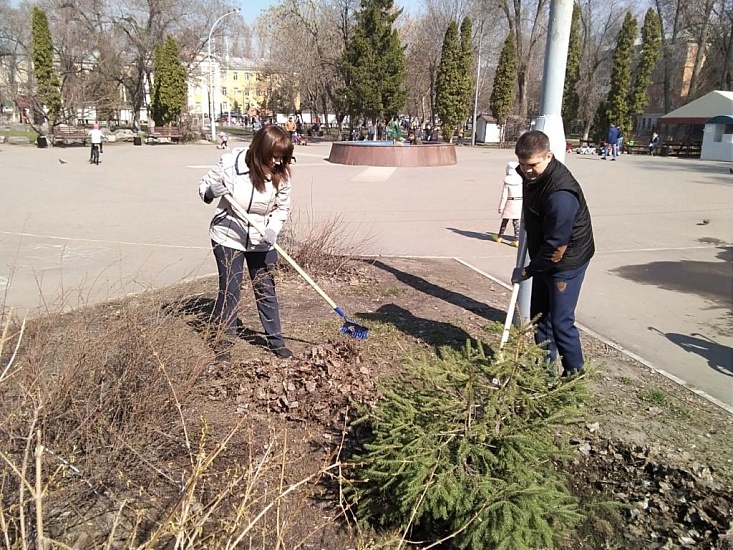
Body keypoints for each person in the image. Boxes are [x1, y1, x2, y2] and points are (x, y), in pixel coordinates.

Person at [198, 125, 294, 360]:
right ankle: (224, 342)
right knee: (230, 289)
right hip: (228, 235)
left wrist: (272, 229)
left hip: (262, 238)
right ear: (260, 150)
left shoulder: (281, 174)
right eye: (275, 156)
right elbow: (203, 188)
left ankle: (275, 340)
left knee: (265, 288)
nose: (278, 162)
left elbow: (283, 208)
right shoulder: (230, 163)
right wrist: (211, 191)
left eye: (283, 157)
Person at [511, 130, 595, 377]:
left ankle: (574, 375)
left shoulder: (561, 196)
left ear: (549, 156)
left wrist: (527, 271)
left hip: (566, 261)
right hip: (544, 255)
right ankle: (544, 373)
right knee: (540, 318)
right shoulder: (531, 175)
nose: (526, 170)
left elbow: (556, 249)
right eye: (522, 164)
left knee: (560, 322)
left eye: (532, 165)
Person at [494, 161, 523, 246]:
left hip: (510, 202)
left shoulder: (507, 181)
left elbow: (504, 196)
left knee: (505, 220)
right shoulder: (520, 180)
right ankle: (517, 239)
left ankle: (500, 236)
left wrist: (501, 207)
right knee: (516, 221)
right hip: (519, 202)